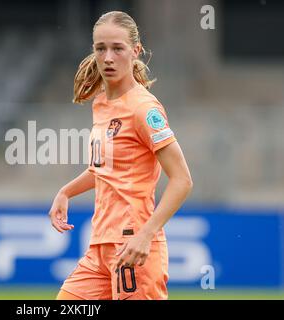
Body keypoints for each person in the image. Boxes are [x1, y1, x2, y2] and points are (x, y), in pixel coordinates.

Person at [48, 11, 193, 300]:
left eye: (117, 48)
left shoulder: (143, 109)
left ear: (135, 51)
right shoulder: (102, 103)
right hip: (100, 246)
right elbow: (104, 169)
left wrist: (146, 234)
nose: (108, 57)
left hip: (133, 245)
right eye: (100, 48)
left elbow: (182, 180)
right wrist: (66, 191)